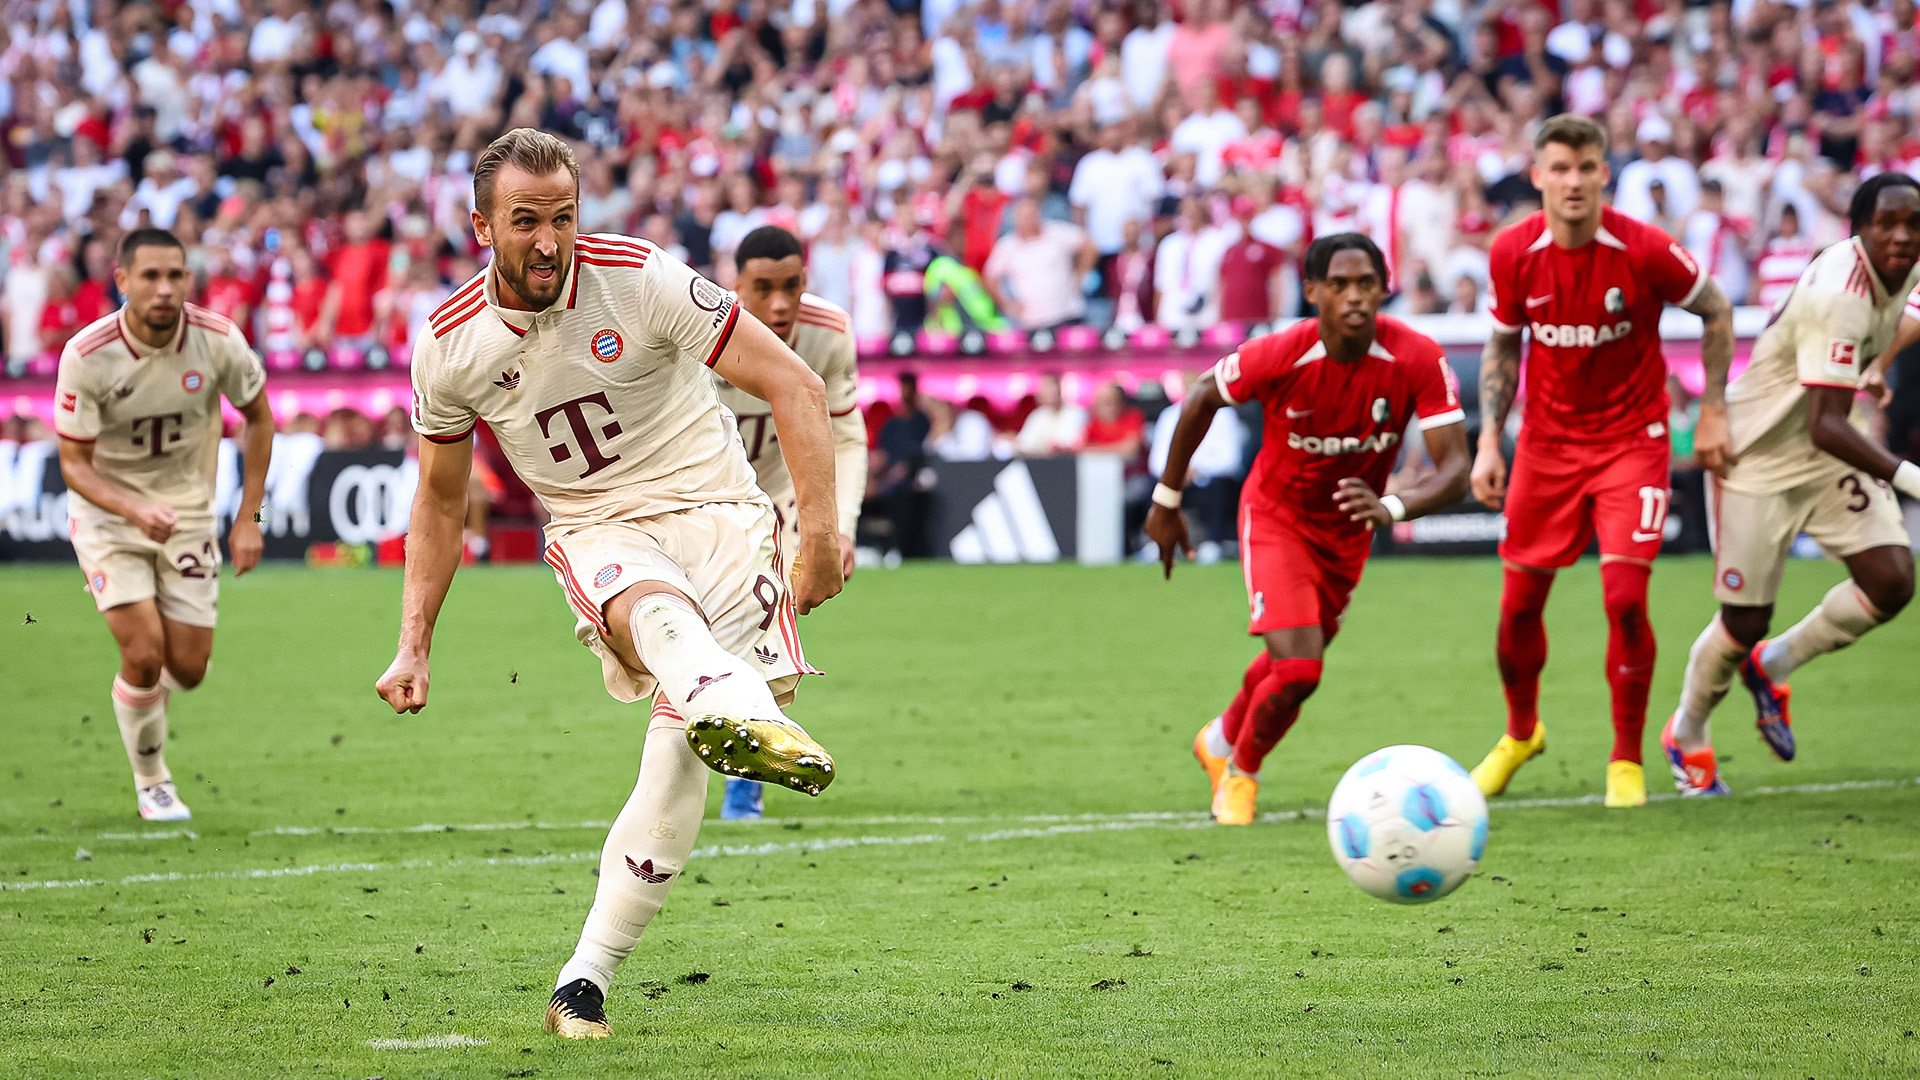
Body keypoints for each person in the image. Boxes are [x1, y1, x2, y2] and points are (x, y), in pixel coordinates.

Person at [372, 129, 845, 1041]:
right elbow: (437, 503)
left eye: (562, 218)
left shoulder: (640, 277)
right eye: (524, 223)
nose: (549, 242)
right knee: (647, 609)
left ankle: (583, 978)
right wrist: (414, 641)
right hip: (599, 524)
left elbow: (794, 384)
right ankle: (728, 695)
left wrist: (818, 536)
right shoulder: (450, 346)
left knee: (678, 757)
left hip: (723, 515)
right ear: (481, 227)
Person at [1148, 233, 1470, 826]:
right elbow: (1200, 397)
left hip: (1347, 532)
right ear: (1312, 291)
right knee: (1299, 667)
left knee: (1290, 658)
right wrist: (1167, 499)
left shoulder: (1418, 357)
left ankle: (1217, 741)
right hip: (1277, 518)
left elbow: (1455, 470)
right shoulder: (1280, 352)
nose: (1354, 297)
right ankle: (1240, 774)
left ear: (1384, 289)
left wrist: (1393, 508)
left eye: (1366, 284)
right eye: (1340, 284)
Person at [1467, 114, 1736, 809]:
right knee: (1516, 606)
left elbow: (1717, 309)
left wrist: (1712, 409)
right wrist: (1491, 439)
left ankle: (1625, 758)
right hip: (1546, 446)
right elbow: (1502, 348)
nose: (1574, 181)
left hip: (1630, 443)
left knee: (1624, 598)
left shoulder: (1645, 249)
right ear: (1538, 176)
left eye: (1586, 167)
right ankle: (1521, 733)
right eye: (1560, 168)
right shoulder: (1512, 252)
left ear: (1603, 174)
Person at [1663, 173, 1920, 795]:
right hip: (1760, 459)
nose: (1902, 236)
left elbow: (1907, 315)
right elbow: (1827, 423)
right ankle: (1687, 731)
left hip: (1828, 455)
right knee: (1743, 620)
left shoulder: (1901, 268)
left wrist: (1877, 366)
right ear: (1859, 229)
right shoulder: (1841, 291)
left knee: (1890, 582)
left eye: (1913, 225)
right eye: (1887, 223)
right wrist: (1913, 478)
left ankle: (1773, 666)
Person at [51, 228, 274, 821]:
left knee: (190, 670)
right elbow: (73, 463)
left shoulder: (218, 340)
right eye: (150, 276)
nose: (165, 289)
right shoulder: (87, 354)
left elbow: (260, 417)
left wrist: (251, 515)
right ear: (122, 281)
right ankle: (153, 782)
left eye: (176, 275)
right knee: (145, 652)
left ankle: (144, 701)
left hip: (187, 514)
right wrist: (131, 510)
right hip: (107, 518)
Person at [710, 225, 868, 821]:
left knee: (765, 620)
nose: (779, 304)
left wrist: (839, 528)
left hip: (788, 503)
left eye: (792, 287)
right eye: (763, 288)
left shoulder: (828, 333)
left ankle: (745, 773)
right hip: (711, 499)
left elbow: (847, 436)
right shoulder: (697, 327)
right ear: (737, 284)